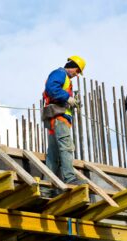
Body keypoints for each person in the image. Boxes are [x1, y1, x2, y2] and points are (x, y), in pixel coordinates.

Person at [42, 56, 87, 197]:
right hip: (59, 118)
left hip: (55, 119)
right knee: (66, 147)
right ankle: (70, 178)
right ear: (72, 66)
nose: (77, 74)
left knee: (53, 157)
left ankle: (45, 189)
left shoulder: (65, 79)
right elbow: (51, 88)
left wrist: (71, 101)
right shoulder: (60, 73)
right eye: (77, 71)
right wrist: (67, 98)